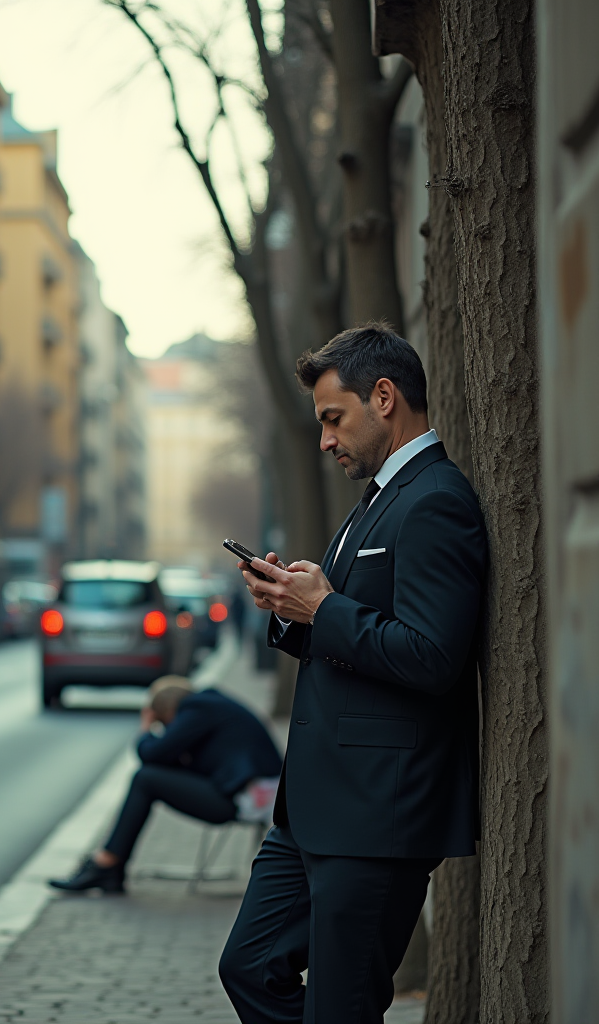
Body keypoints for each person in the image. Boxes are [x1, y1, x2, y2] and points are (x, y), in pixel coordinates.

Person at [218, 324, 486, 1024]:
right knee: (247, 965)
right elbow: (346, 628)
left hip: (377, 816)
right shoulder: (375, 500)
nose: (326, 440)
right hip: (313, 809)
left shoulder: (436, 500)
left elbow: (432, 657)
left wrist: (325, 608)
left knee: (341, 1008)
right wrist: (291, 606)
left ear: (386, 397)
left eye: (334, 419)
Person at [49, 676, 282, 894]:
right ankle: (111, 867)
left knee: (145, 778)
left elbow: (153, 753)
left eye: (164, 723)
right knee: (149, 777)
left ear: (169, 712)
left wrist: (146, 727)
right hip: (251, 796)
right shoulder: (210, 705)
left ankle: (107, 864)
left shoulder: (196, 708)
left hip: (247, 802)